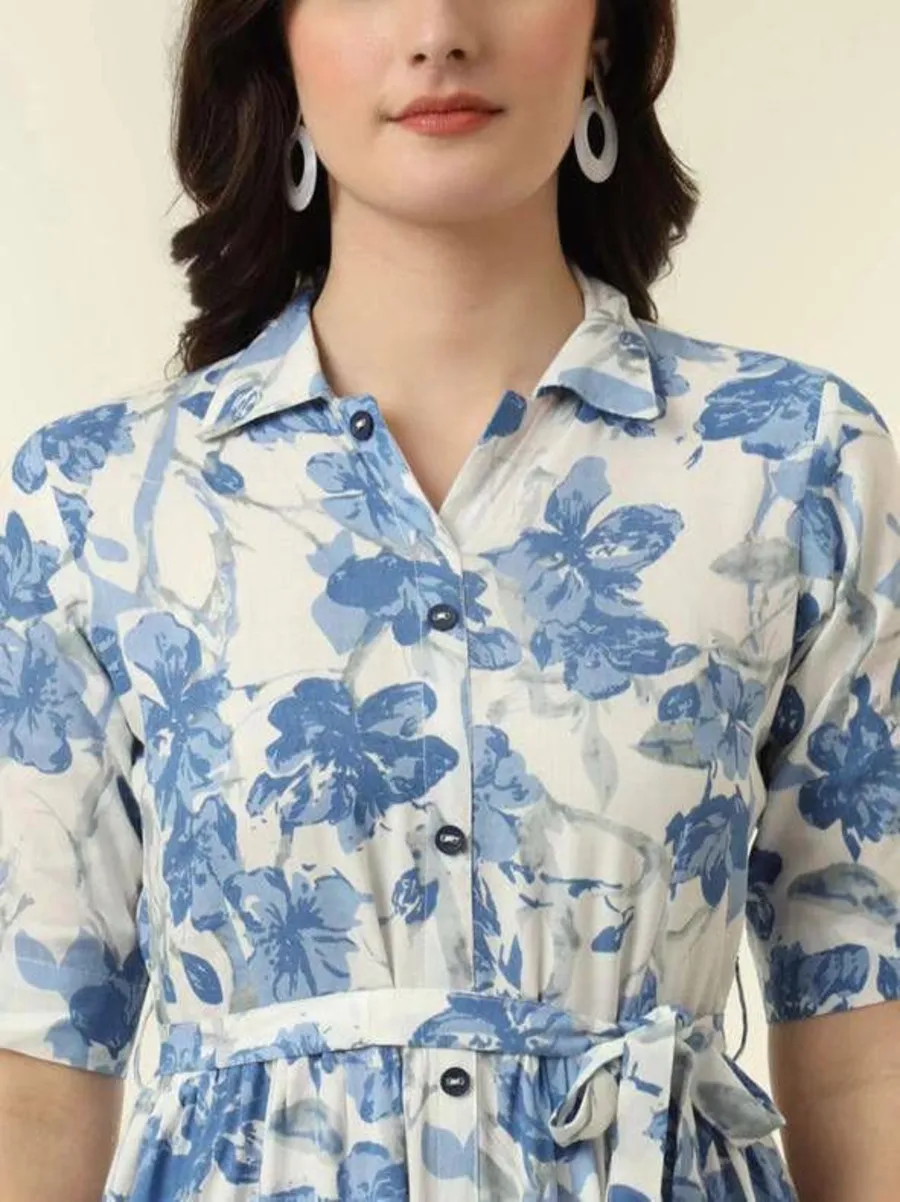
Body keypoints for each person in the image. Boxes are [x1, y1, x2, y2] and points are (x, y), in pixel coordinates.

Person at [1, 0, 898, 1198]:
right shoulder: (98, 499)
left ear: (604, 37)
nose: (437, 29)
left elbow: (865, 1041)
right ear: (275, 45)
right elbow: (34, 1075)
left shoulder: (792, 463)